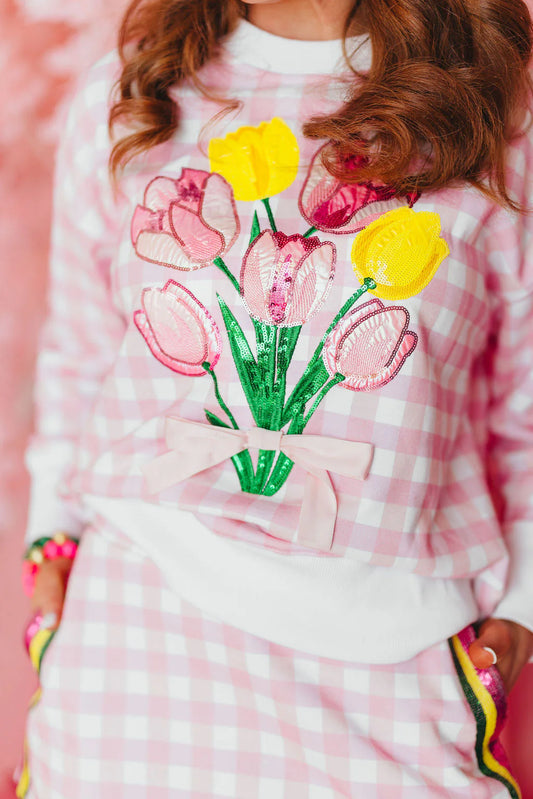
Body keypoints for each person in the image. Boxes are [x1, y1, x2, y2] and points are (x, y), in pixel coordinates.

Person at [19, 0, 533, 796]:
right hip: (140, 623)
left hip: (392, 653)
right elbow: (82, 353)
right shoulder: (127, 94)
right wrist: (51, 537)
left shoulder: (498, 108)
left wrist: (524, 608)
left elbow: (524, 400)